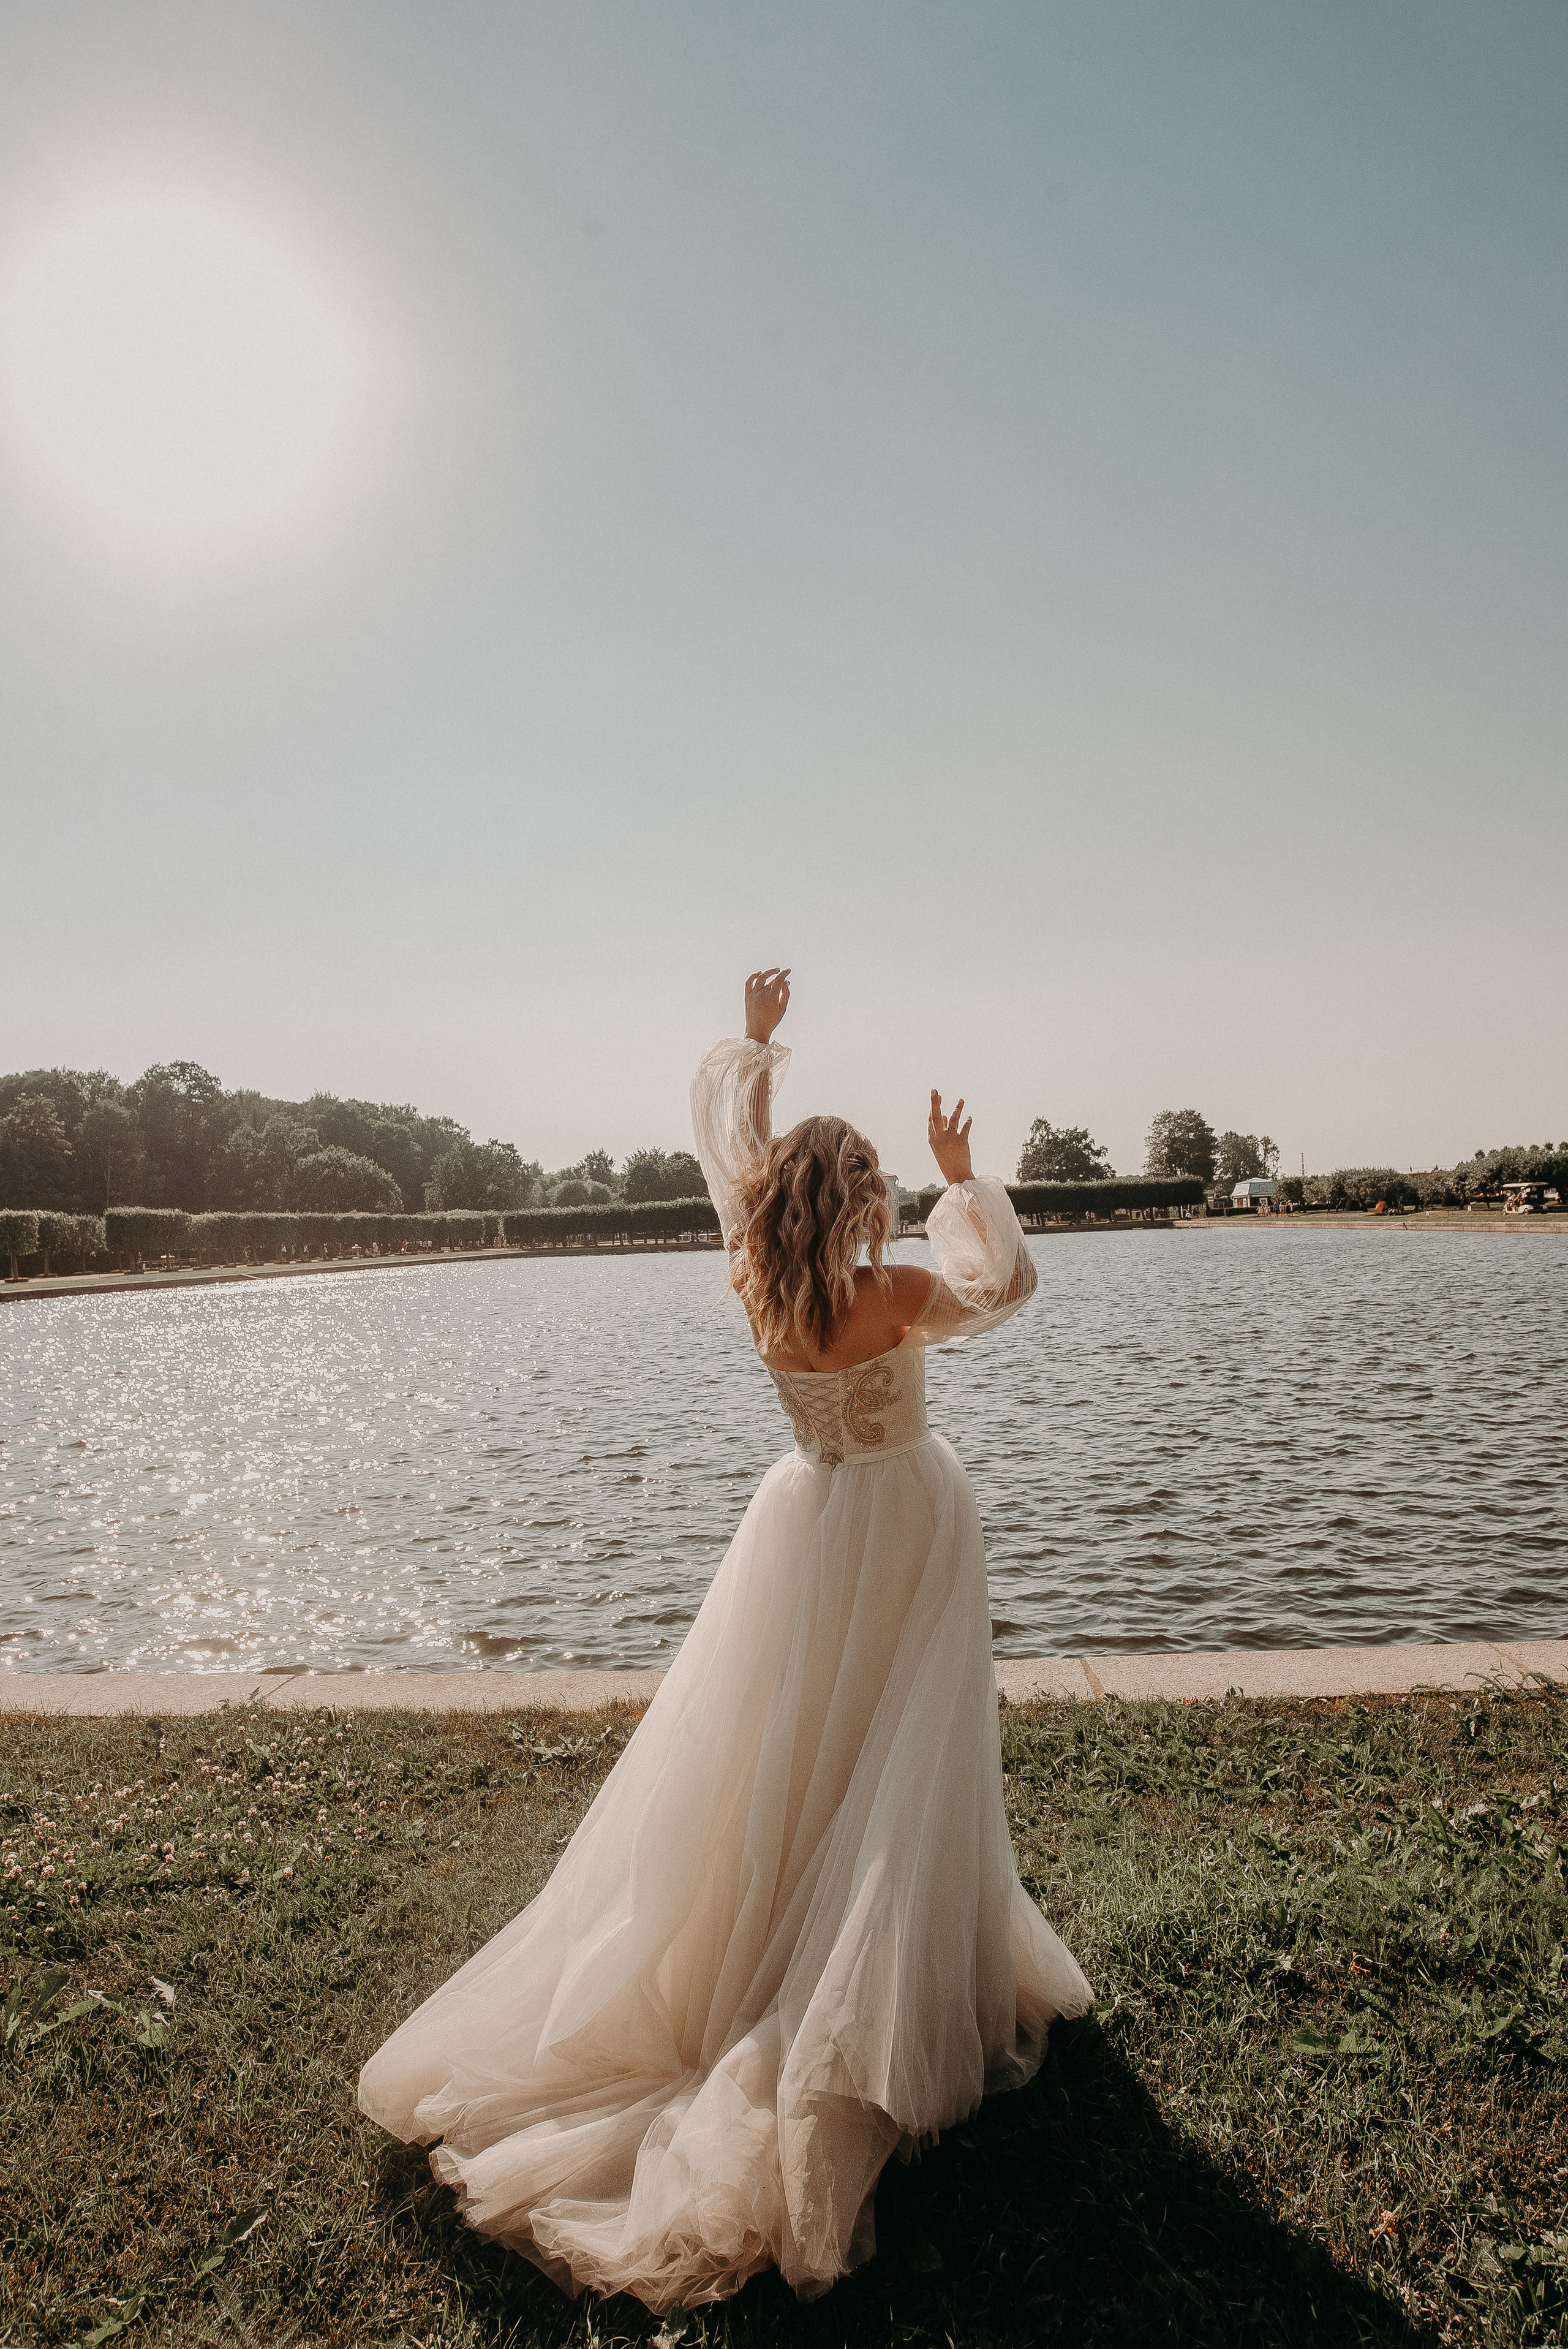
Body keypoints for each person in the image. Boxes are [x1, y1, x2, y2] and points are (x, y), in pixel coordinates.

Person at [358, 967, 1091, 2311]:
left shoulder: (761, 1288)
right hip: (911, 1529)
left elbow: (734, 1169)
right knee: (900, 1752)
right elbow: (1008, 1290)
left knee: (797, 1743)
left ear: (774, 1207)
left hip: (805, 1530)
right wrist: (965, 1176)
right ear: (865, 1200)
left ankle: (781, 1947)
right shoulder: (901, 1292)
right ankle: (877, 1979)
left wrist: (750, 1051)